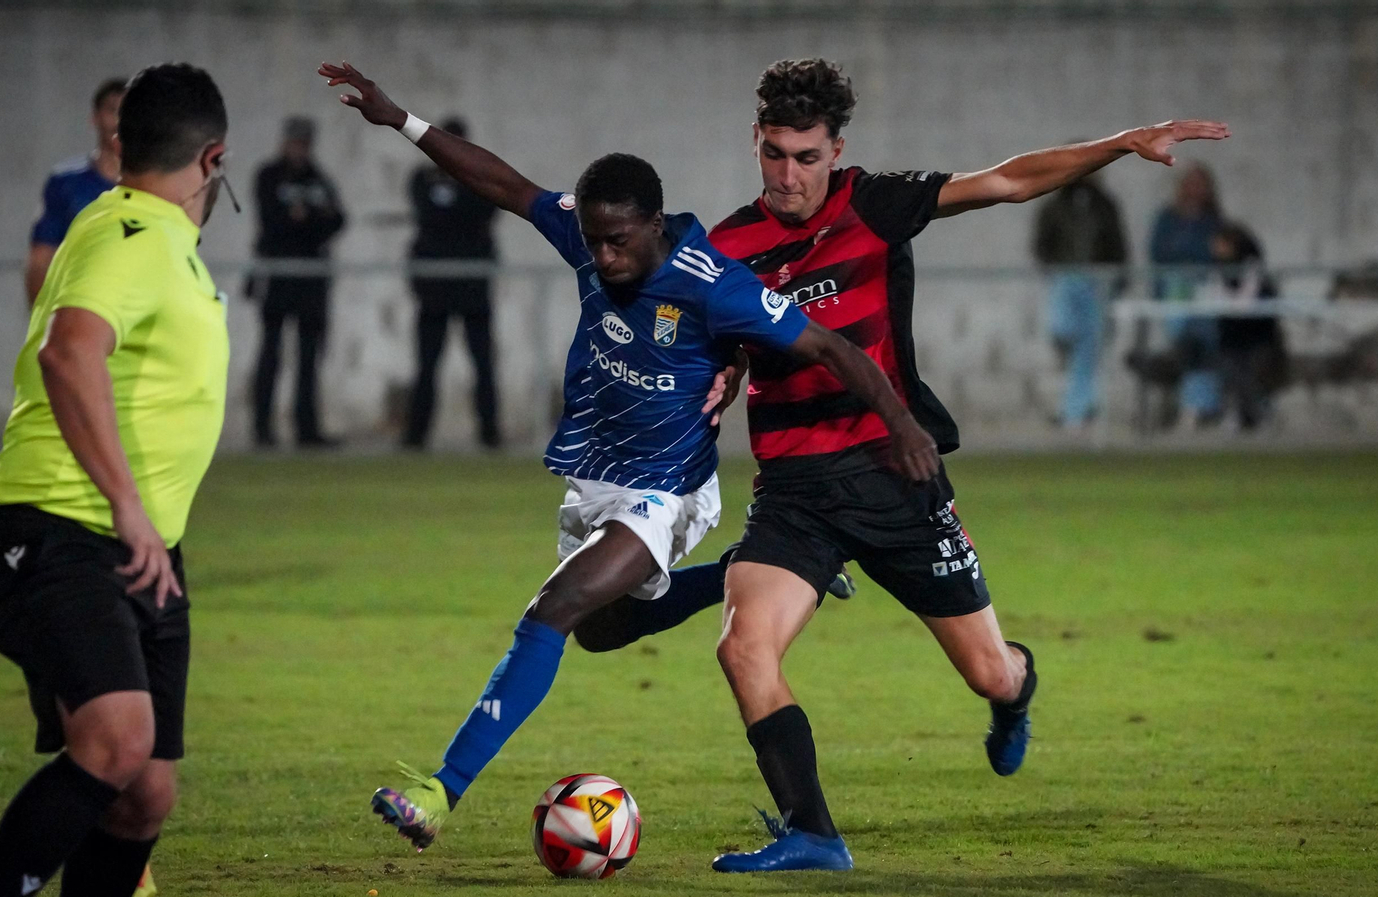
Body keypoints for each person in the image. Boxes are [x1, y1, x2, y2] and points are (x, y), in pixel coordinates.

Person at [572, 58, 1227, 873]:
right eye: (774, 153)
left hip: (894, 477)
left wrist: (1123, 145)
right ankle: (813, 832)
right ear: (757, 143)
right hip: (795, 488)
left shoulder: (876, 206)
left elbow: (1010, 182)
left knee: (987, 671)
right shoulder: (725, 246)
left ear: (835, 151)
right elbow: (718, 336)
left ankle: (1017, 689)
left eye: (806, 158)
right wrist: (727, 370)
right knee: (744, 648)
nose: (788, 175)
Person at [316, 60, 939, 858]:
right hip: (596, 475)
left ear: (652, 225)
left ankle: (441, 790)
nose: (602, 258)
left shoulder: (716, 284)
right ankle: (744, 570)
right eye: (593, 241)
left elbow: (827, 344)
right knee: (603, 630)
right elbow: (505, 186)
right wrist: (401, 119)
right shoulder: (589, 236)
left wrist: (901, 424)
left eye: (617, 242)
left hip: (667, 490)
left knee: (553, 609)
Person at [0, 63, 233, 897]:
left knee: (144, 789)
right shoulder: (138, 234)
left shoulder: (140, 230)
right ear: (214, 157)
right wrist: (125, 504)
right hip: (61, 527)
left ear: (121, 143)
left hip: (139, 550)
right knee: (116, 743)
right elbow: (68, 351)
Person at [403, 116, 501, 450]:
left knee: (483, 364)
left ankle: (490, 433)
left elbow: (481, 212)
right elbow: (432, 216)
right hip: (434, 288)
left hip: (473, 286)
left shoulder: (482, 179)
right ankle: (416, 435)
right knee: (427, 365)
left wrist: (460, 195)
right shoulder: (422, 179)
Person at [249, 117, 347, 448]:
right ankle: (262, 430)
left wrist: (304, 219)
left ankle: (307, 430)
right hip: (277, 276)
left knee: (309, 358)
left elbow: (337, 220)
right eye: (295, 142)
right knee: (271, 355)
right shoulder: (269, 176)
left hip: (311, 281)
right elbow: (271, 221)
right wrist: (305, 221)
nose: (300, 149)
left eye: (305, 143)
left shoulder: (319, 178)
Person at [1032, 172, 1128, 429]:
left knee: (1088, 348)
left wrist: (1118, 279)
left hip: (1097, 279)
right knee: (1063, 329)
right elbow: (1042, 243)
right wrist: (1051, 265)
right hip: (1065, 276)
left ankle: (1075, 411)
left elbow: (1117, 244)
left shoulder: (1105, 205)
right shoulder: (1054, 206)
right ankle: (1076, 406)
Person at [25, 78, 127, 308]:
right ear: (95, 117)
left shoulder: (153, 186)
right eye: (112, 110)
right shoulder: (66, 182)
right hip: (77, 309)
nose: (119, 120)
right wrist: (41, 321)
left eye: (128, 112)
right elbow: (41, 257)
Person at [1149, 164, 1225, 428]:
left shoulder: (1213, 220)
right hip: (1176, 288)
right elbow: (1160, 253)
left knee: (1202, 345)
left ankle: (1200, 405)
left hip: (1204, 287)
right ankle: (1192, 405)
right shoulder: (1168, 219)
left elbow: (1219, 254)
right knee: (1184, 346)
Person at [1208, 223, 1286, 431]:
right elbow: (1215, 296)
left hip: (1256, 334)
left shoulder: (1253, 267)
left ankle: (1259, 415)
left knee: (1254, 376)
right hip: (1231, 334)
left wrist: (1230, 305)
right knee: (1231, 374)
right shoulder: (1216, 269)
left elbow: (1247, 302)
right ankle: (1236, 415)